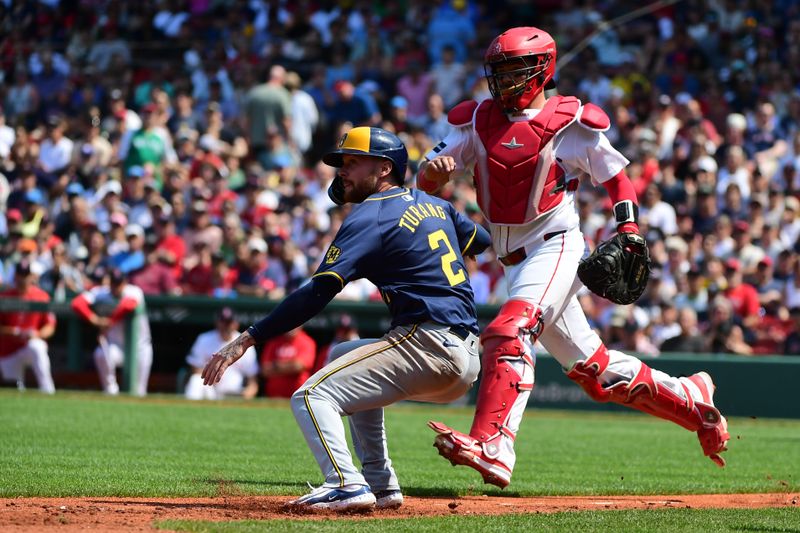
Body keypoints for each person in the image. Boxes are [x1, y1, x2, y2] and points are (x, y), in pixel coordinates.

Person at [417, 26, 730, 489]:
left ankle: (494, 444)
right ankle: (693, 400)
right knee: (595, 372)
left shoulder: (570, 122)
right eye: (497, 71)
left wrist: (628, 228)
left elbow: (618, 179)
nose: (503, 80)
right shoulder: (475, 120)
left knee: (511, 328)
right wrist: (432, 172)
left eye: (514, 70)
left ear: (541, 71)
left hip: (556, 243)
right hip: (514, 260)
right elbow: (428, 174)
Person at [202, 127, 491, 511]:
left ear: (385, 168)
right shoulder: (435, 204)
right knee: (343, 353)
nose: (342, 171)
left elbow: (318, 291)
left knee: (311, 395)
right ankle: (380, 483)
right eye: (342, 164)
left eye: (353, 163)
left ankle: (345, 483)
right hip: (466, 353)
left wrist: (249, 337)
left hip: (428, 343)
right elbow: (482, 242)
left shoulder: (371, 214)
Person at [71, 268, 153, 396]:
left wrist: (109, 322)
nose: (115, 286)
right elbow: (77, 303)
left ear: (125, 282)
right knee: (100, 353)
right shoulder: (101, 292)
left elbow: (128, 305)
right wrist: (94, 319)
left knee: (139, 391)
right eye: (113, 283)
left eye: (118, 283)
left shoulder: (134, 291)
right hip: (117, 347)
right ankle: (110, 390)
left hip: (140, 347)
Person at [0, 261, 56, 394]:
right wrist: (13, 331)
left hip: (29, 345)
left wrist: (36, 334)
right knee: (15, 390)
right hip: (9, 349)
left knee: (38, 347)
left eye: (25, 275)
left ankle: (47, 390)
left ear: (31, 276)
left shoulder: (41, 296)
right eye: (20, 275)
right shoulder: (4, 297)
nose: (22, 279)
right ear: (15, 276)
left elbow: (50, 326)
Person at [184, 307, 258, 401]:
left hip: (233, 394)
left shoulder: (246, 343)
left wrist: (248, 394)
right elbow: (195, 367)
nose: (225, 325)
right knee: (195, 380)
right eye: (223, 321)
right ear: (217, 322)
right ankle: (190, 412)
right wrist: (210, 375)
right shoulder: (204, 339)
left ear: (236, 323)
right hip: (211, 390)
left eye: (229, 322)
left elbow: (252, 380)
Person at [260, 326, 316, 398]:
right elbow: (265, 370)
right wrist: (290, 365)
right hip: (273, 397)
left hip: (298, 396)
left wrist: (275, 366)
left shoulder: (307, 341)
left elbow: (298, 366)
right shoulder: (274, 341)